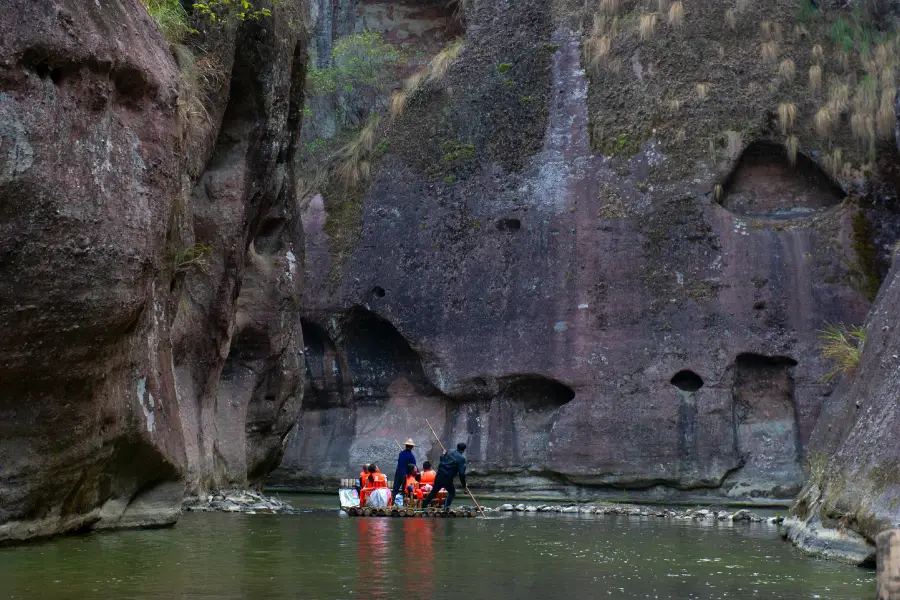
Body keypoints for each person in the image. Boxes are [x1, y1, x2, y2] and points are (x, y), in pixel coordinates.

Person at [422, 442, 467, 510]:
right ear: (463, 450)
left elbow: (442, 459)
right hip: (447, 477)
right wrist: (464, 485)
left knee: (434, 492)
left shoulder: (449, 451)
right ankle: (446, 507)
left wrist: (443, 454)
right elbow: (461, 473)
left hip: (439, 474)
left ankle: (424, 505)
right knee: (452, 493)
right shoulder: (462, 459)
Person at [391, 439, 417, 503]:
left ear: (406, 446)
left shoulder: (401, 454)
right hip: (406, 475)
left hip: (398, 473)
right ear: (411, 447)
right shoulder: (411, 456)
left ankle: (391, 503)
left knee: (395, 490)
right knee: (404, 490)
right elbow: (414, 466)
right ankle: (404, 504)